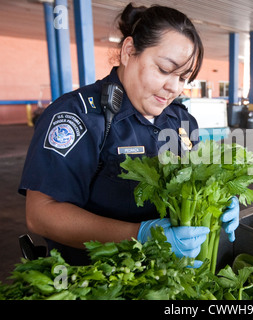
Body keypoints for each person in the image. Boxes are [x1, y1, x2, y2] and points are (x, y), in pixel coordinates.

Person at [18, 3, 239, 266]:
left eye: (183, 77)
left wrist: (223, 200)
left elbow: (198, 181)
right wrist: (139, 236)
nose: (173, 87)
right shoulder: (80, 116)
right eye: (164, 70)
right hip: (95, 279)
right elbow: (41, 214)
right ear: (129, 51)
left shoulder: (181, 120)